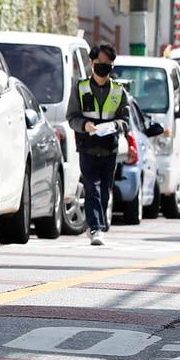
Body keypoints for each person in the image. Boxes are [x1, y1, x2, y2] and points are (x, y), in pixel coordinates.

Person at [67, 42, 131, 246]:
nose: (103, 66)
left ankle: (97, 223)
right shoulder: (80, 87)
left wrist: (115, 125)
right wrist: (85, 125)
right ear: (92, 63)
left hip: (109, 147)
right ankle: (96, 228)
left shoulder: (119, 91)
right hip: (87, 145)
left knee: (105, 190)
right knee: (91, 187)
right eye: (99, 62)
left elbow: (126, 120)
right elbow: (71, 117)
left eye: (108, 63)